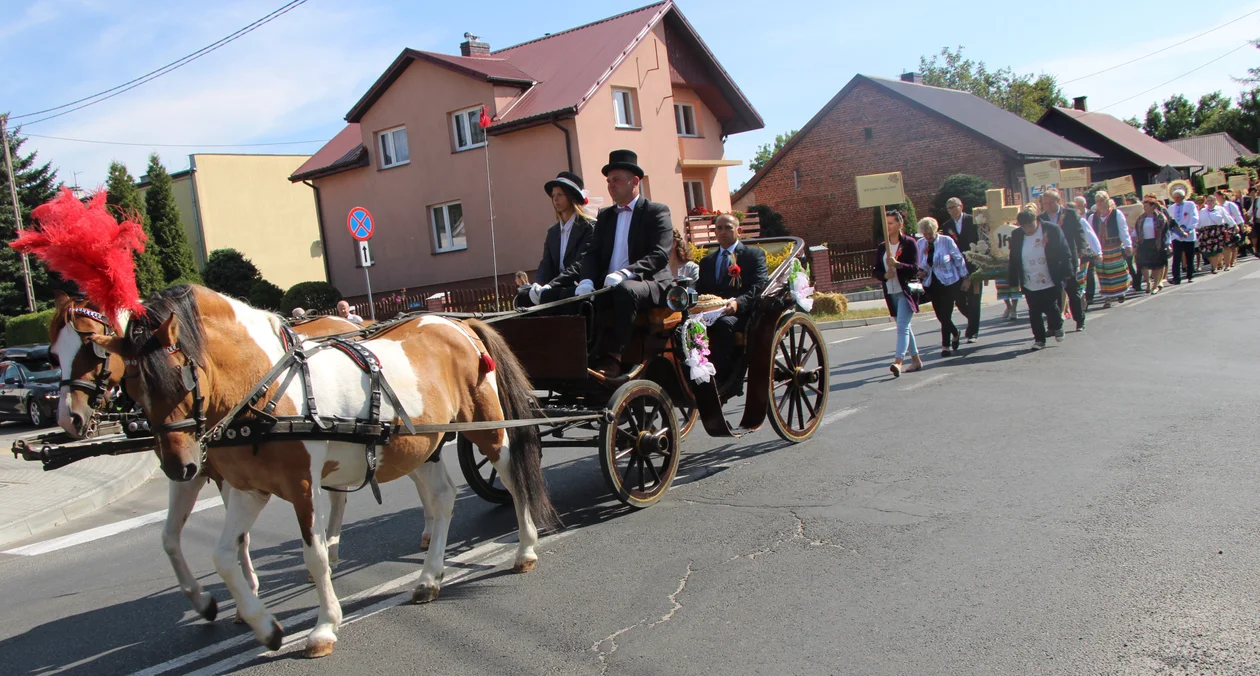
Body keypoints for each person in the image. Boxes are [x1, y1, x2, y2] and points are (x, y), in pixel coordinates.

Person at [549, 149, 674, 378]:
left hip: (649, 283)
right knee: (569, 296)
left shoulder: (656, 211)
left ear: (635, 181)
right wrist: (586, 280)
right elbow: (592, 254)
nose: (610, 185)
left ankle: (614, 358)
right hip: (610, 284)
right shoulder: (606, 215)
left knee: (625, 291)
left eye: (616, 180)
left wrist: (627, 272)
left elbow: (660, 254)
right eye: (608, 181)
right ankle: (578, 357)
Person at [694, 213, 769, 382]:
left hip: (741, 314)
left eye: (727, 227)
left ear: (738, 230)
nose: (722, 232)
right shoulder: (707, 261)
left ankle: (724, 376)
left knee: (722, 325)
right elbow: (701, 289)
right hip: (710, 312)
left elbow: (759, 286)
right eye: (718, 228)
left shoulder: (752, 255)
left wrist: (738, 303)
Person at [522, 171, 596, 308]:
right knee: (523, 296)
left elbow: (579, 264)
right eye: (553, 196)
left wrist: (550, 285)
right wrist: (538, 283)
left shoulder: (588, 228)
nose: (555, 199)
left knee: (549, 297)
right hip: (556, 286)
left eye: (560, 195)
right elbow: (546, 263)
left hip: (578, 285)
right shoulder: (553, 232)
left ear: (571, 196)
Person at [1008, 210, 1074, 350]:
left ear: (1036, 220)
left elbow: (1064, 250)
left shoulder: (1051, 229)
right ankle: (1039, 339)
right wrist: (1013, 279)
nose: (1028, 229)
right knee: (1034, 310)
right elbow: (1013, 257)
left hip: (1049, 273)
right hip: (1029, 277)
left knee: (1051, 306)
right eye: (1024, 226)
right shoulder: (1017, 235)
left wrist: (1067, 270)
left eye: (1031, 225)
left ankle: (1057, 326)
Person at [872, 210, 922, 377]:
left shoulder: (909, 243)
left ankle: (898, 362)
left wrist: (898, 265)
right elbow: (876, 270)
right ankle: (915, 360)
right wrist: (884, 275)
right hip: (891, 291)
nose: (888, 227)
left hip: (906, 291)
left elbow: (915, 268)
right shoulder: (882, 247)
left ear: (900, 224)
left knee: (902, 327)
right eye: (885, 224)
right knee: (904, 326)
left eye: (891, 223)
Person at [916, 218, 969, 356]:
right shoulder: (921, 244)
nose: (928, 236)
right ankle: (955, 332)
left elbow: (958, 259)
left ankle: (945, 346)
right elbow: (920, 262)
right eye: (925, 233)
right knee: (940, 315)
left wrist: (965, 277)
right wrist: (921, 271)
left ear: (935, 230)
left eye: (930, 233)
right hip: (931, 283)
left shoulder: (946, 241)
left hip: (949, 282)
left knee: (946, 314)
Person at [1038, 189, 1088, 332]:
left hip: (1068, 257)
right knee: (1052, 294)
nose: (1047, 206)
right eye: (1045, 203)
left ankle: (1079, 320)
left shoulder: (1069, 214)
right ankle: (1053, 325)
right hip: (1051, 259)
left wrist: (1082, 249)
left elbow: (1079, 232)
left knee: (1073, 291)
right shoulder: (1041, 218)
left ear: (1057, 201)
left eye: (1049, 203)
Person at [940, 197, 981, 342]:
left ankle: (972, 333)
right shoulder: (947, 226)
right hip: (956, 268)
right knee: (960, 301)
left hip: (974, 264)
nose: (951, 210)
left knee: (974, 299)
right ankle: (974, 319)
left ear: (961, 206)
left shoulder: (972, 220)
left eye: (954, 207)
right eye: (949, 208)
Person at [1085, 192, 1132, 309]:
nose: (1100, 203)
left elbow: (1123, 230)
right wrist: (1090, 249)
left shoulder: (1116, 214)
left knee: (1117, 271)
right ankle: (1108, 298)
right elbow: (1090, 235)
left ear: (1107, 200)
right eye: (1097, 201)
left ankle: (1121, 292)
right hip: (1100, 249)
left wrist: (1128, 245)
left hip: (1115, 247)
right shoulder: (1092, 217)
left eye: (1102, 200)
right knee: (1103, 274)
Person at [1133, 196, 1172, 294]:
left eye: (1146, 206)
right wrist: (1133, 240)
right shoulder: (1141, 218)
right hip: (1144, 243)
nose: (1144, 208)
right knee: (1143, 264)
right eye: (1144, 206)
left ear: (1152, 206)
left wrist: (1168, 244)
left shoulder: (1161, 217)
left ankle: (1156, 285)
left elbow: (1166, 232)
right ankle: (1148, 283)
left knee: (1158, 265)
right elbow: (1136, 230)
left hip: (1157, 243)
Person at [1167, 188, 1198, 285]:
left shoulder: (1190, 205)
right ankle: (1176, 277)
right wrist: (1175, 231)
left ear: (1183, 197)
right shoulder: (1171, 208)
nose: (1177, 199)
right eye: (1175, 197)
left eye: (1179, 197)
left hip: (1188, 234)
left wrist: (1188, 229)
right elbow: (1170, 221)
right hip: (1176, 235)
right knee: (1176, 257)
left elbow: (1194, 217)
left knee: (1189, 256)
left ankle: (1190, 275)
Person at [1197, 193, 1233, 274]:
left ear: (1215, 201)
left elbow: (1227, 217)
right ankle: (1215, 265)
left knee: (1220, 249)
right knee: (1208, 251)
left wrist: (1233, 225)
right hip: (1206, 232)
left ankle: (1225, 265)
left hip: (1218, 230)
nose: (1209, 202)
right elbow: (1199, 221)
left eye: (1211, 200)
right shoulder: (1202, 211)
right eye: (1208, 200)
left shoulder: (1220, 209)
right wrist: (1196, 229)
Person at [1217, 189, 1245, 271]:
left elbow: (1238, 215)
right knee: (1225, 245)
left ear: (1221, 196)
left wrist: (1241, 225)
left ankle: (1233, 259)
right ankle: (1225, 261)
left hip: (1231, 226)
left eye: (1216, 196)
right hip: (1222, 227)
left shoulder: (1230, 205)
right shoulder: (1217, 206)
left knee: (1233, 244)